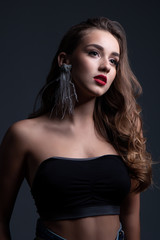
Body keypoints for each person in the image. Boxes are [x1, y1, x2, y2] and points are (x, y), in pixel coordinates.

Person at [0, 17, 152, 240]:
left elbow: (130, 215)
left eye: (114, 61)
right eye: (94, 53)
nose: (105, 66)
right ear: (65, 60)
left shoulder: (126, 127)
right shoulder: (24, 135)